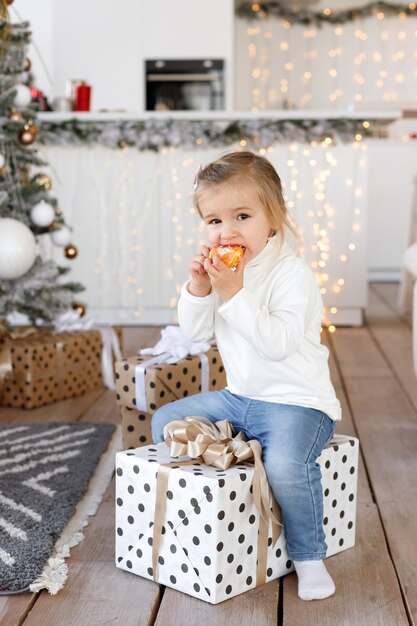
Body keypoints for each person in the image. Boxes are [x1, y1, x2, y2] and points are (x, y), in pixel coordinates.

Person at [151, 150, 342, 601]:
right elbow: (195, 334)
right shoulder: (225, 273)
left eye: (242, 215)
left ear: (273, 217)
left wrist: (233, 293)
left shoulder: (291, 274)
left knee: (285, 466)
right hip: (241, 398)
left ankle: (309, 556)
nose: (227, 231)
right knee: (164, 422)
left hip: (298, 402)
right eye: (214, 221)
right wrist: (200, 288)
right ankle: (235, 461)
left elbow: (276, 343)